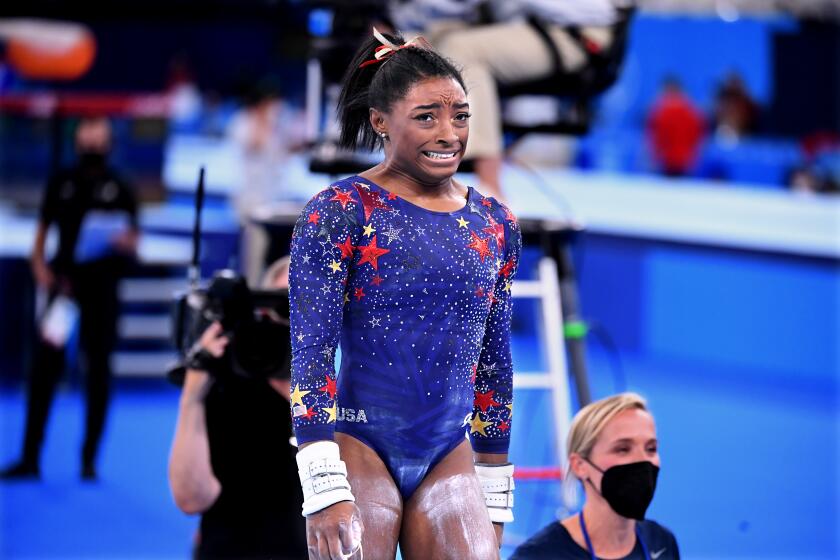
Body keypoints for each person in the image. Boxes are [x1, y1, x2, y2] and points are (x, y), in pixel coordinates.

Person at [289, 29, 522, 559]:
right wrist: (322, 483)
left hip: (449, 452)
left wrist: (493, 490)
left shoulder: (494, 223)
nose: (448, 133)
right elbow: (311, 353)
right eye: (426, 117)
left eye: (461, 116)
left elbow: (493, 363)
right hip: (359, 445)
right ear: (380, 121)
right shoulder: (341, 211)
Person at [1, 116, 138, 481]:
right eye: (87, 137)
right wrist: (41, 270)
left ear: (109, 143)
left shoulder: (119, 187)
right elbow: (42, 234)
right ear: (77, 140)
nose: (93, 143)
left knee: (98, 374)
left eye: (99, 137)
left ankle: (89, 460)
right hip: (63, 293)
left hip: (102, 295)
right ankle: (30, 457)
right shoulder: (61, 182)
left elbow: (133, 239)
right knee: (44, 371)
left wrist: (125, 242)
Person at [389, 0, 631, 200]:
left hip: (579, 33)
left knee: (463, 49)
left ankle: (491, 191)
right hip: (517, 26)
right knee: (407, 45)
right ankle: (402, 181)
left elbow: (599, 10)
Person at [168, 257, 308, 560]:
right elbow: (192, 498)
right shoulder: (228, 379)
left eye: (305, 307)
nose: (289, 323)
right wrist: (192, 396)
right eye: (280, 307)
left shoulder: (353, 389)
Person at [510, 392, 680, 559]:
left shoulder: (661, 541)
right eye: (623, 449)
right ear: (580, 465)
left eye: (651, 449)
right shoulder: (539, 555)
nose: (643, 460)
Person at [647, 78, 704, 177]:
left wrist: (654, 157)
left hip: (667, 161)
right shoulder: (692, 111)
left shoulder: (662, 111)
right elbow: (697, 136)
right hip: (686, 161)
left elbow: (658, 137)